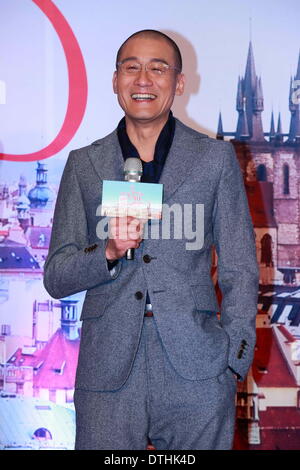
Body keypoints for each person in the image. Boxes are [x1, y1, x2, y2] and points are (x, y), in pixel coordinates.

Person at [43, 29, 259, 450]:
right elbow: (57, 275)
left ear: (179, 83)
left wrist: (234, 359)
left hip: (198, 369)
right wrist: (106, 251)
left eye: (158, 68)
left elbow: (239, 267)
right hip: (107, 371)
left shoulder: (215, 160)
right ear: (115, 81)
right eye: (131, 67)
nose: (143, 79)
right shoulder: (84, 164)